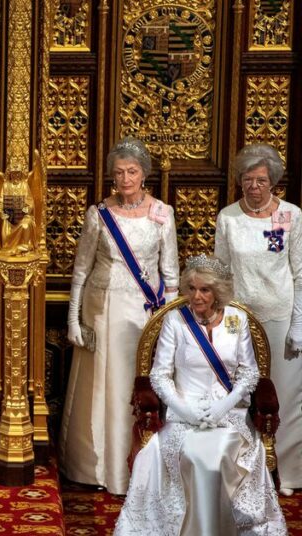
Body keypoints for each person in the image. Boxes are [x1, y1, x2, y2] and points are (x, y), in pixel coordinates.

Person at [114, 255, 286, 535]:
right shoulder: (174, 320)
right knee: (197, 457)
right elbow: (159, 375)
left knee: (219, 457)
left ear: (218, 291)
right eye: (191, 288)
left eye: (204, 289)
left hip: (229, 414)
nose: (196, 296)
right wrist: (186, 411)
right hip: (183, 414)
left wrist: (223, 407)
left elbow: (249, 374)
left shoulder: (237, 319)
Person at [62, 136, 179, 495]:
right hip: (101, 308)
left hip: (144, 313)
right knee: (100, 385)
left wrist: (171, 325)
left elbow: (171, 274)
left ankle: (139, 466)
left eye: (132, 172)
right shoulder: (98, 213)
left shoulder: (162, 213)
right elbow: (80, 270)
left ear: (144, 175)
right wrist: (73, 320)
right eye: (119, 172)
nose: (125, 179)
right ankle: (95, 467)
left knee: (136, 383)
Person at [215, 143, 302, 496]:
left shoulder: (292, 216)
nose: (254, 186)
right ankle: (241, 472)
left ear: (273, 182)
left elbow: (300, 273)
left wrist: (299, 324)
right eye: (248, 179)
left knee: (284, 395)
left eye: (261, 180)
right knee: (238, 395)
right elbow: (220, 273)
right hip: (238, 319)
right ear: (240, 182)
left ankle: (288, 473)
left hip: (280, 316)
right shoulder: (228, 217)